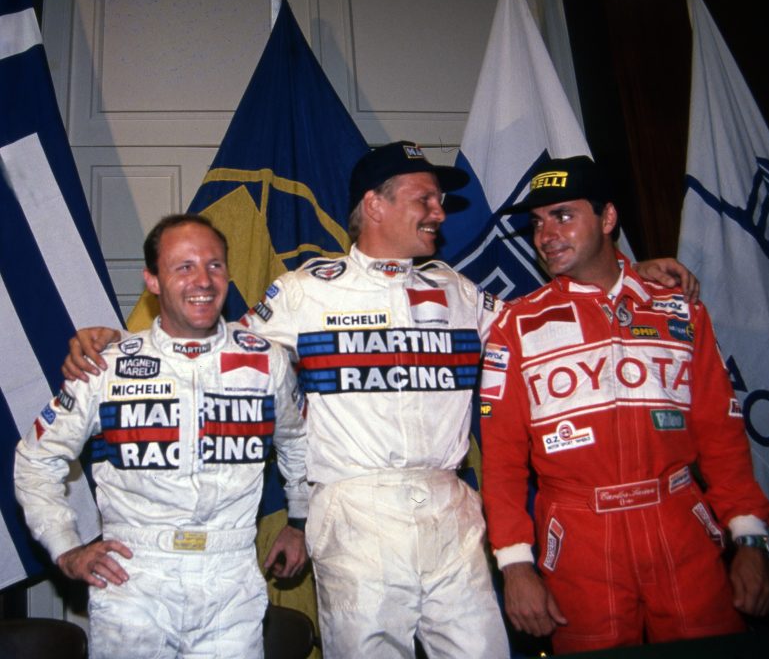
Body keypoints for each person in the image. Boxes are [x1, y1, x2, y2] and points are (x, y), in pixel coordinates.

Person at [61, 143, 698, 659]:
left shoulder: (458, 291)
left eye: (439, 200)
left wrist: (631, 277)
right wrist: (113, 343)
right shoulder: (306, 291)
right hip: (356, 510)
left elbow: (548, 322)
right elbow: (209, 347)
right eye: (425, 198)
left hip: (450, 509)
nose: (440, 212)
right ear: (374, 204)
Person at [479, 156, 769, 654]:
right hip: (579, 539)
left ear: (608, 218)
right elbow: (502, 462)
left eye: (563, 215)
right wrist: (515, 566)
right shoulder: (515, 326)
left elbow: (722, 435)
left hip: (680, 525)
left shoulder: (679, 309)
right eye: (537, 222)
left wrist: (749, 537)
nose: (546, 235)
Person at [15, 214, 308, 659]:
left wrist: (300, 521)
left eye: (214, 265)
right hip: (133, 578)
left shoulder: (267, 362)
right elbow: (36, 460)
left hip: (230, 575)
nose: (203, 280)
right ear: (152, 280)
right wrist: (66, 548)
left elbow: (298, 444)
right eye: (184, 267)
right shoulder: (106, 366)